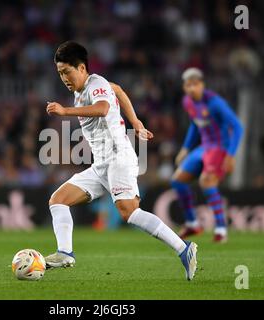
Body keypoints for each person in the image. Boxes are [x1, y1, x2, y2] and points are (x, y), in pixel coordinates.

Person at [45, 41, 198, 280]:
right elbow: (117, 90)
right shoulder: (87, 89)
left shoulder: (95, 84)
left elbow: (104, 108)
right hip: (101, 165)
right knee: (58, 200)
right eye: (59, 73)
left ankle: (183, 249)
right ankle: (65, 252)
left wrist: (65, 112)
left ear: (82, 68)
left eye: (67, 71)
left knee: (129, 212)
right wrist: (135, 121)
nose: (63, 77)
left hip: (118, 157)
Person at [171, 68, 244, 243]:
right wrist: (186, 148)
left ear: (202, 84)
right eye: (188, 85)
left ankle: (221, 229)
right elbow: (195, 125)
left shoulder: (215, 103)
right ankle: (192, 223)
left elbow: (238, 126)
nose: (192, 88)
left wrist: (231, 155)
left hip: (219, 147)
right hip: (204, 147)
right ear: (184, 87)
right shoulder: (188, 102)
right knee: (177, 180)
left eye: (195, 84)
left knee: (206, 181)